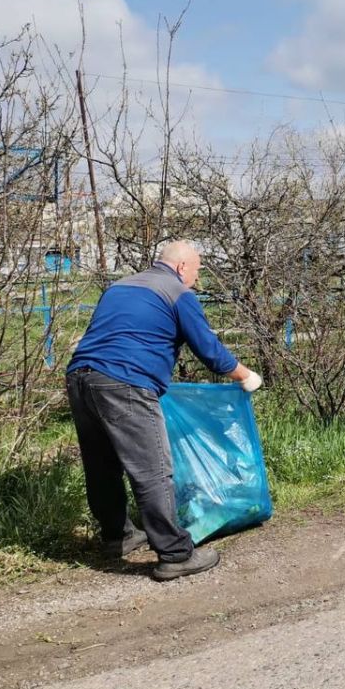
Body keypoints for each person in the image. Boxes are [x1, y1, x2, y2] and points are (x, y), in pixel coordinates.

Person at [66, 241, 262, 581]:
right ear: (182, 267)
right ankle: (175, 553)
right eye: (198, 271)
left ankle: (118, 537)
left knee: (102, 466)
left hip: (80, 379)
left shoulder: (121, 286)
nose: (197, 279)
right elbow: (209, 349)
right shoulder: (176, 291)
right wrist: (245, 376)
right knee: (153, 469)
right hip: (125, 383)